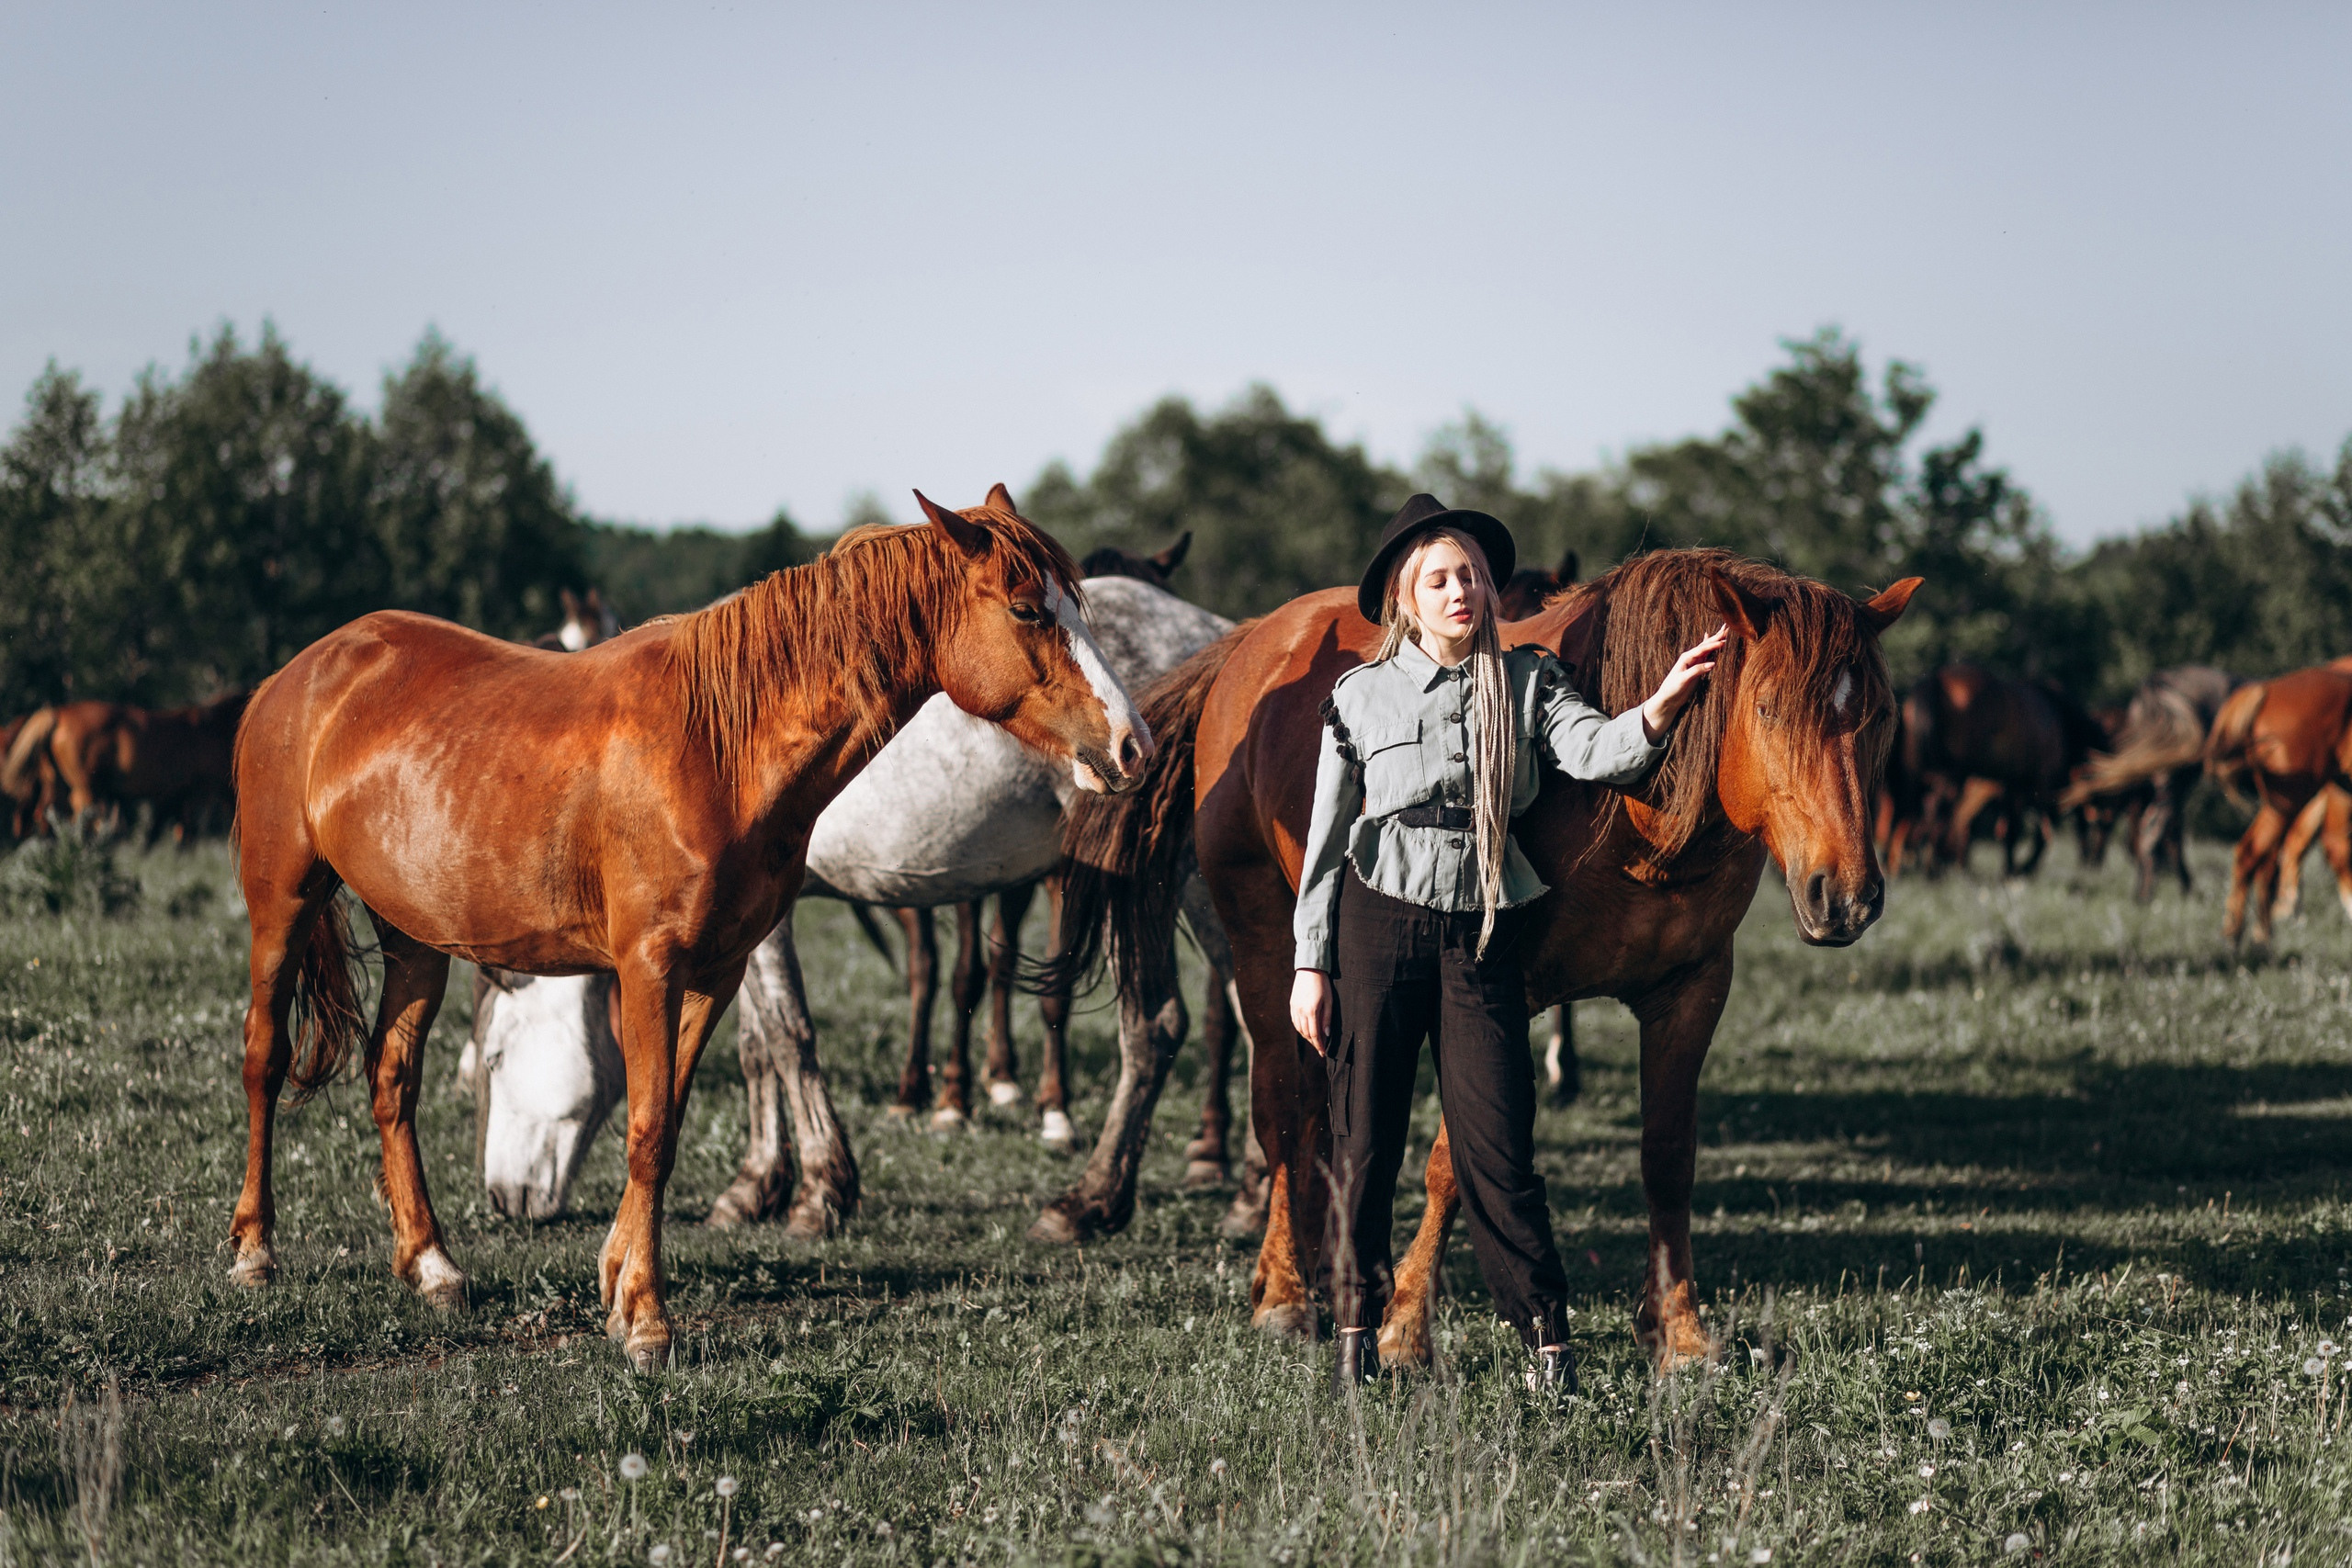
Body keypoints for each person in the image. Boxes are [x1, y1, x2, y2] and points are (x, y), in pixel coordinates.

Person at [1289, 492, 1725, 1394]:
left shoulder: (1528, 681)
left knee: (1499, 1145)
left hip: (1482, 930)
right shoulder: (1357, 695)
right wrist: (1309, 964)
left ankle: (1547, 1348)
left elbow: (1601, 754)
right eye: (1440, 580)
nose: (1461, 592)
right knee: (1364, 1136)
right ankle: (1355, 1335)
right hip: (1377, 922)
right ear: (1407, 598)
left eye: (1473, 577)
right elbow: (1326, 844)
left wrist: (1664, 703)